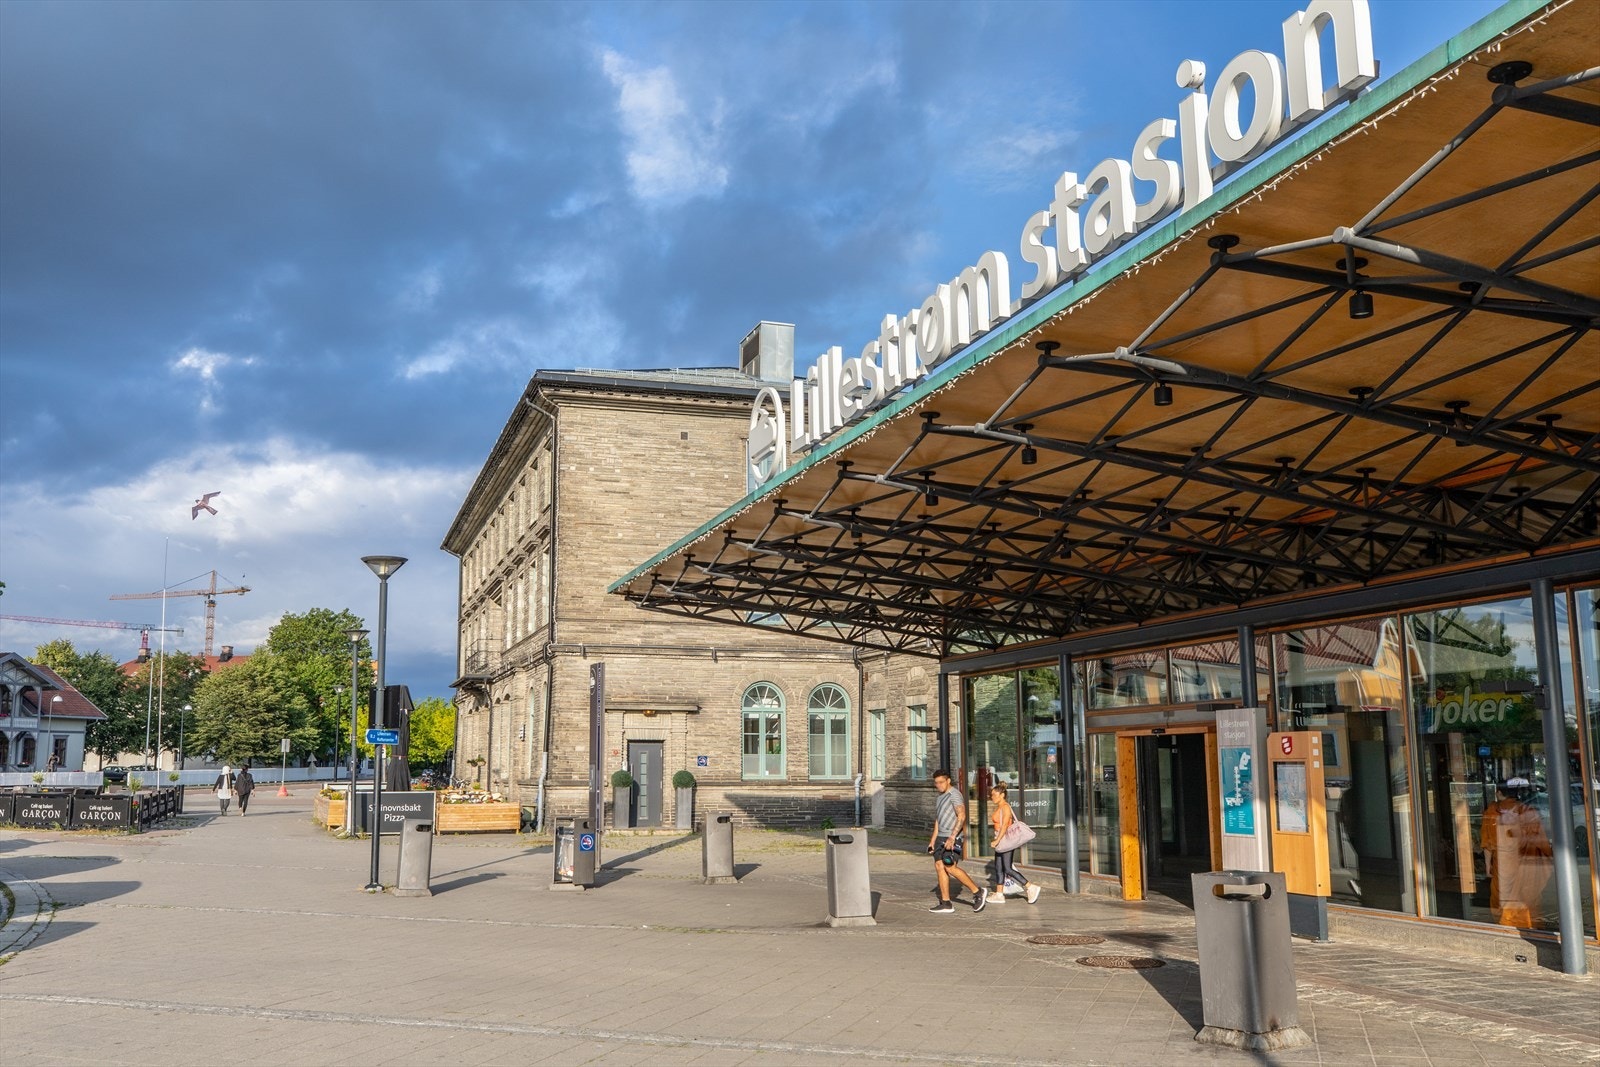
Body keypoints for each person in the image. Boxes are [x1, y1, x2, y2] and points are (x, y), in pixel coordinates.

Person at [1480, 776, 1553, 928]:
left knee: (1502, 896)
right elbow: (1541, 842)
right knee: (1527, 894)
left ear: (1499, 793)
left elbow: (1487, 844)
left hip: (1502, 864)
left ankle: (1506, 925)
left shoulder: (1492, 812)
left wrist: (1487, 866)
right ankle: (1529, 925)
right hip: (1524, 863)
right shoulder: (1527, 811)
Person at [928, 769, 986, 914]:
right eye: (936, 783)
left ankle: (978, 892)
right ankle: (946, 903)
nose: (938, 785)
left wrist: (952, 837)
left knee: (950, 867)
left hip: (953, 838)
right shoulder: (940, 797)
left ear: (948, 781)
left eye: (941, 782)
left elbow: (961, 815)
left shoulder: (954, 794)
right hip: (940, 838)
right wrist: (932, 840)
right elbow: (938, 820)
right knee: (939, 866)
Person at [989, 782, 1041, 904]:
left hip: (1005, 840)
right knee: (998, 868)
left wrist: (997, 840)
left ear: (1002, 795)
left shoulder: (1005, 807)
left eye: (994, 795)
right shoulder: (1000, 807)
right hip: (1000, 839)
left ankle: (1030, 887)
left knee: (1007, 868)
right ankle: (999, 894)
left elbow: (1004, 826)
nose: (992, 797)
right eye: (991, 795)